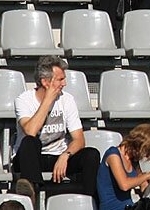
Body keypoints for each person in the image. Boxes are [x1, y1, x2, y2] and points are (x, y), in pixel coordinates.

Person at [12, 56, 100, 203]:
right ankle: (31, 196)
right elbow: (30, 131)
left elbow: (79, 139)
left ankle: (89, 202)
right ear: (45, 82)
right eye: (60, 79)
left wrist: (65, 155)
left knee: (91, 154)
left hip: (59, 156)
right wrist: (48, 100)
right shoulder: (24, 100)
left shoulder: (67, 99)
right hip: (31, 158)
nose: (64, 84)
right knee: (29, 141)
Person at [97, 123, 150, 210]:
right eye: (146, 153)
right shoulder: (113, 155)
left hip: (129, 206)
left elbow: (143, 186)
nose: (144, 157)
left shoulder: (133, 160)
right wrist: (147, 176)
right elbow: (124, 185)